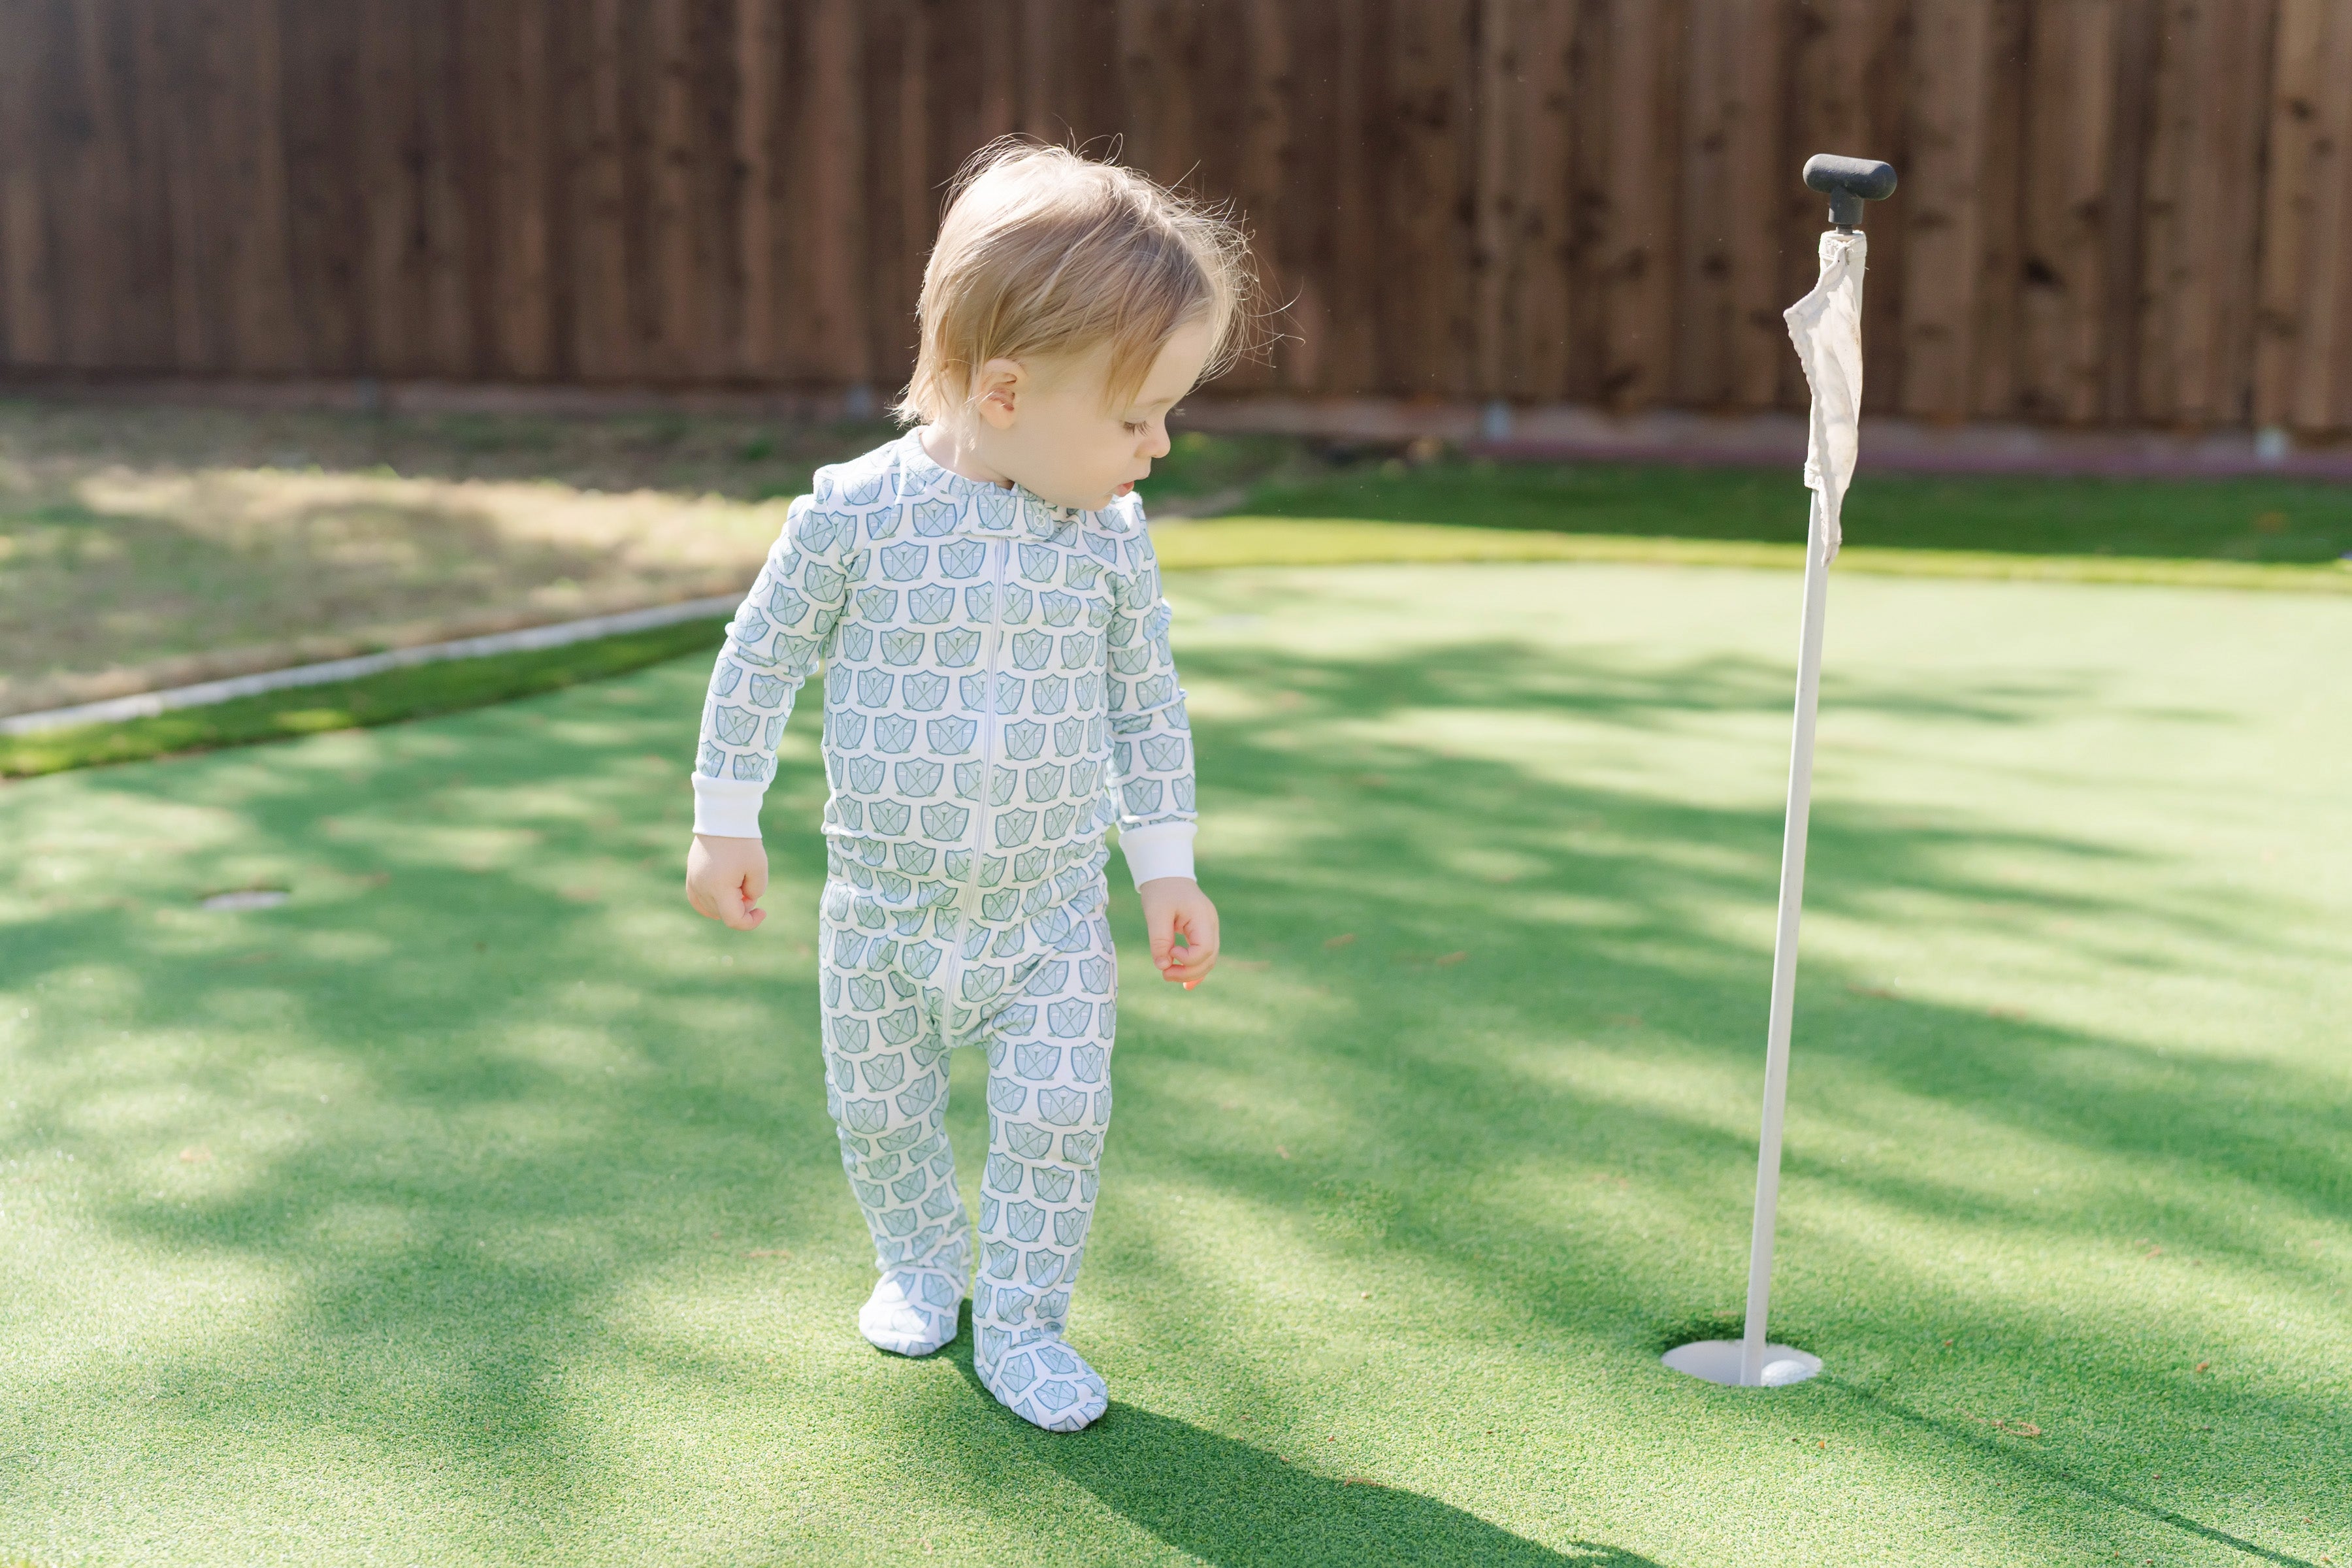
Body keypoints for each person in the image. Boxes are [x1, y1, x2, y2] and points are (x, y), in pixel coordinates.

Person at [681, 140, 1254, 1432]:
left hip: (1048, 911)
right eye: (1136, 417)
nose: (1161, 445)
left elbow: (1144, 702)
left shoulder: (1108, 540)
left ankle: (1024, 1323)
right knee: (880, 1110)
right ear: (1005, 392)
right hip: (882, 906)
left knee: (1059, 1115)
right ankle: (921, 1263)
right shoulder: (854, 517)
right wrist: (724, 822)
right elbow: (759, 660)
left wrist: (1166, 868)